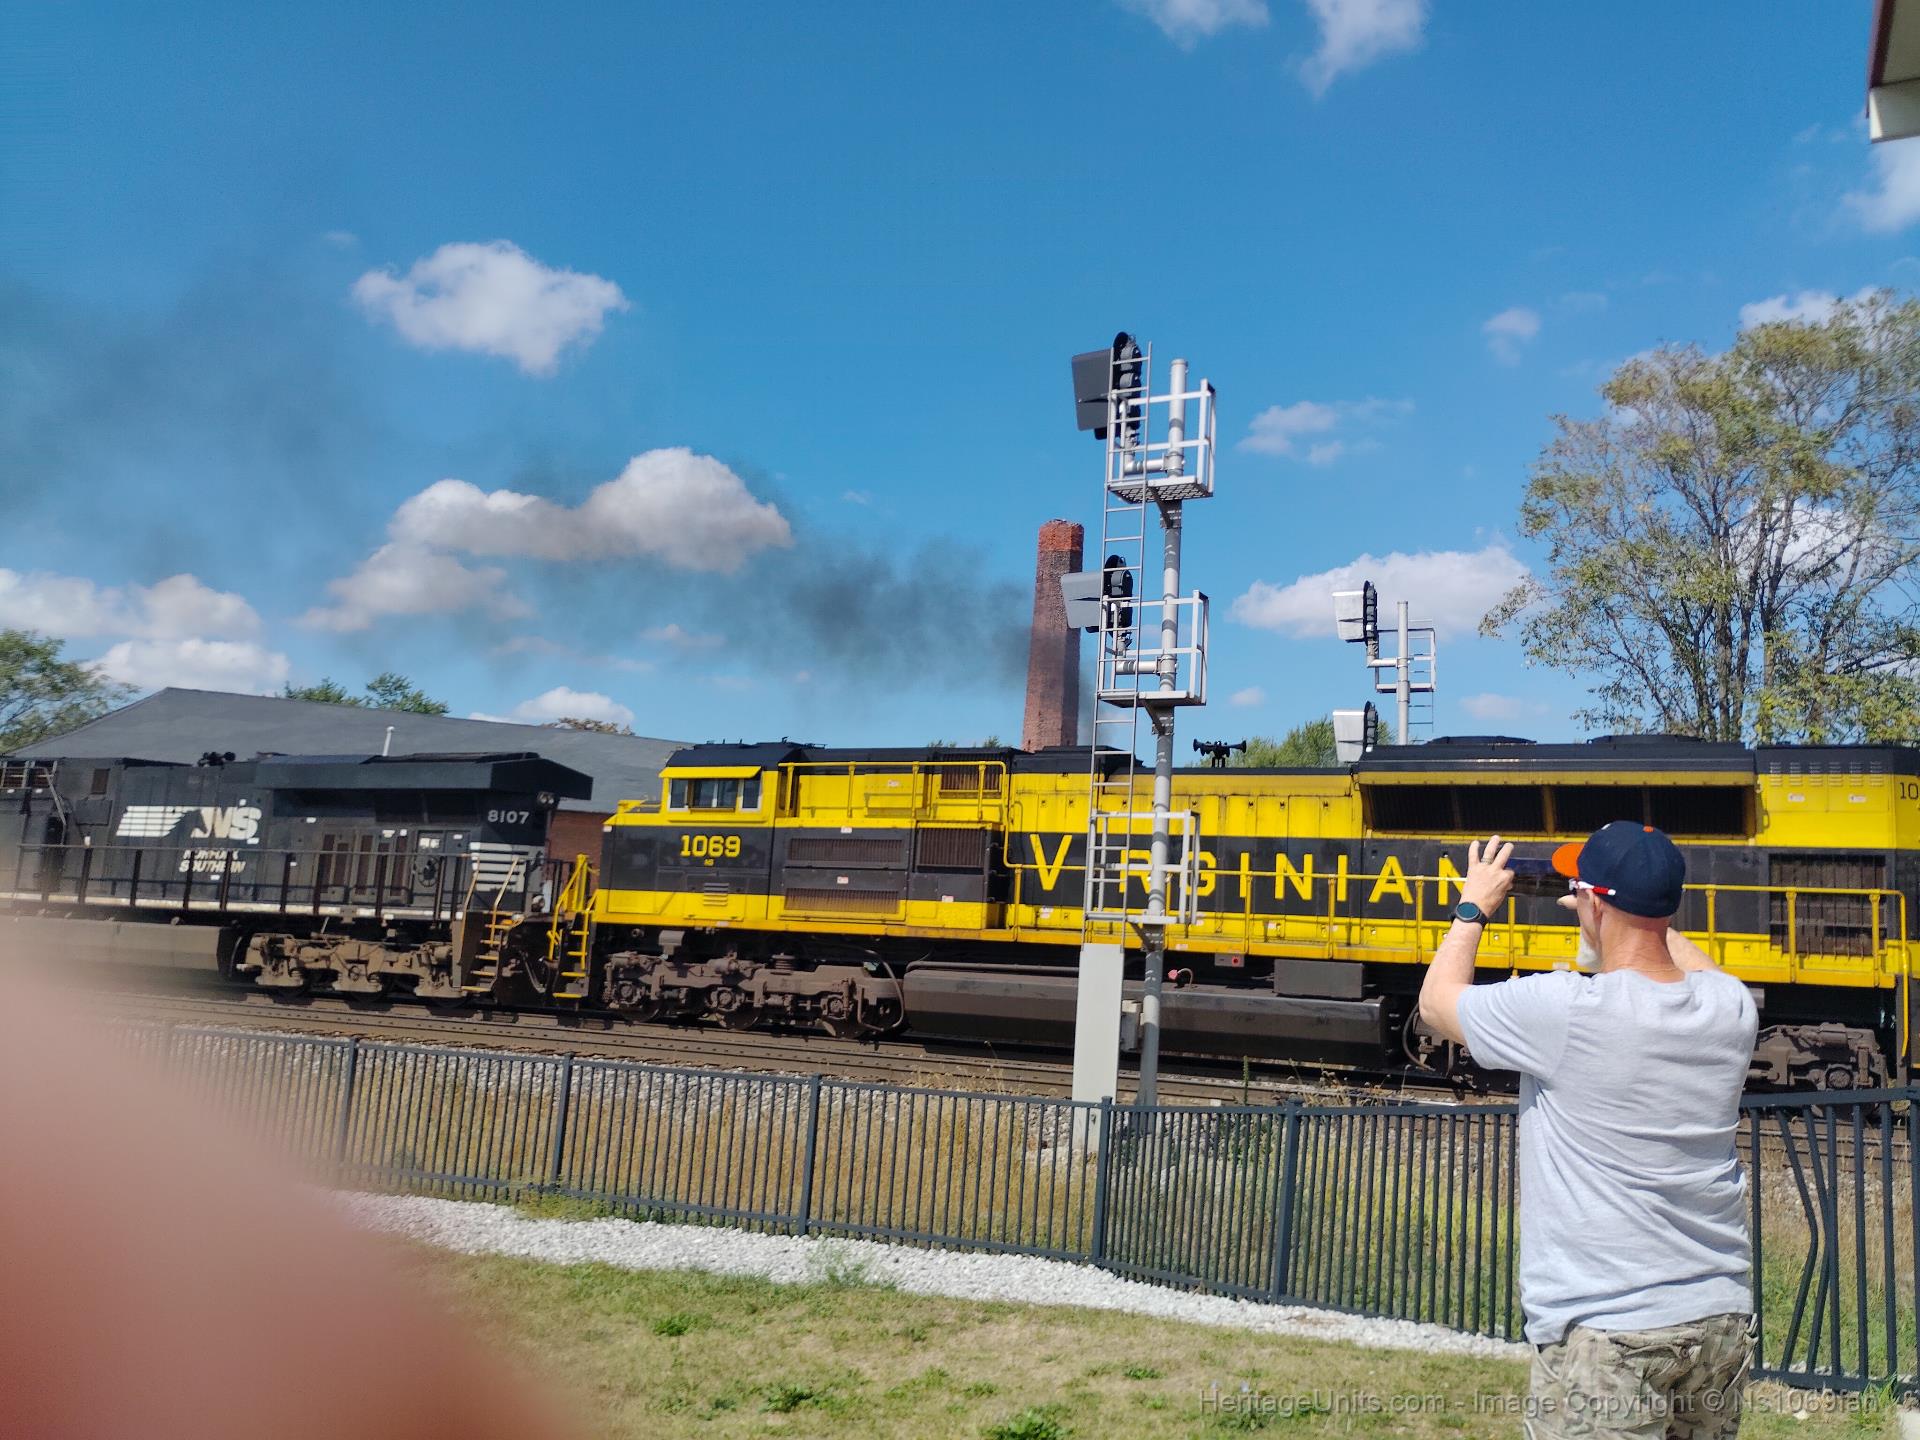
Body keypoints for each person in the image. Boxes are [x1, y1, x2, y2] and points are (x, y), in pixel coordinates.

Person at [1417, 822, 1758, 1439]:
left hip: (1611, 1329)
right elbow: (1680, 959)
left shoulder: (1565, 1009)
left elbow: (1437, 1002)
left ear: (1594, 902)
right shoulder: (1731, 1008)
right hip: (1718, 1321)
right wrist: (1624, 915)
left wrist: (1473, 906)